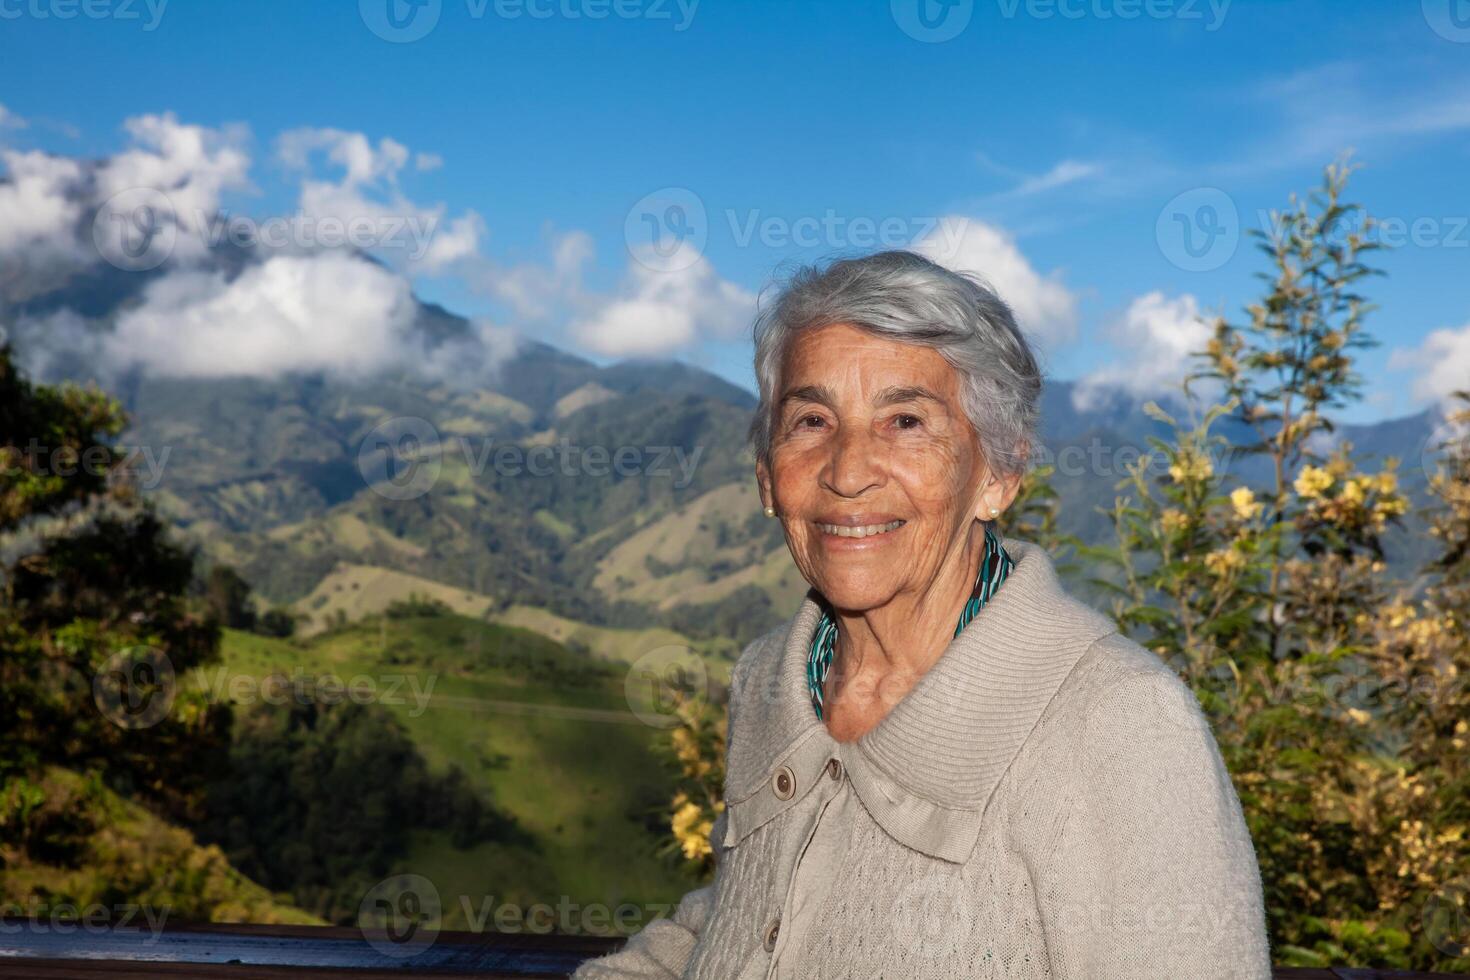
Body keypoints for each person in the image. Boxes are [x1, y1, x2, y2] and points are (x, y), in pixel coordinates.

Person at [575, 250, 1271, 979]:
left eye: (905, 421)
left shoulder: (1123, 724)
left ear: (998, 474)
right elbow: (736, 917)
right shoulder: (768, 682)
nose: (848, 471)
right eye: (811, 420)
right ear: (766, 477)